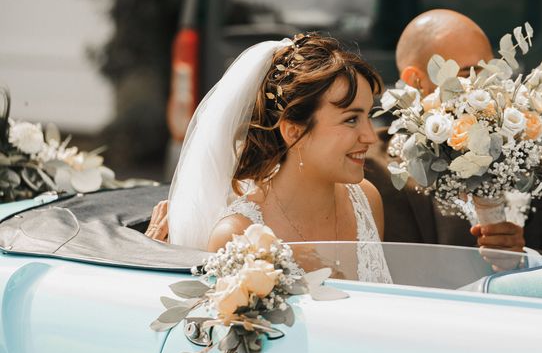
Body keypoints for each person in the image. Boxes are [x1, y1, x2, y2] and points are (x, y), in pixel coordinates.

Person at [146, 34, 392, 282]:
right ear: (293, 131)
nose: (370, 137)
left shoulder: (367, 199)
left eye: (368, 116)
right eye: (351, 119)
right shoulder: (236, 235)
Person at [366, 9, 542, 258]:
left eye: (489, 71)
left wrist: (523, 259)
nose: (487, 85)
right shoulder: (378, 169)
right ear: (416, 81)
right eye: (467, 72)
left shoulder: (519, 151)